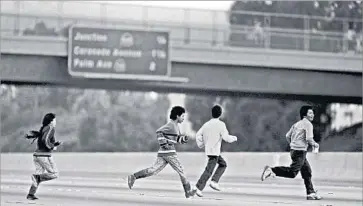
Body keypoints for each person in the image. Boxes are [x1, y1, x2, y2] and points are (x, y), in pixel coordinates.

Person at [127, 106, 197, 199]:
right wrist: (163, 143)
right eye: (183, 116)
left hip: (163, 153)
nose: (184, 118)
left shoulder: (175, 126)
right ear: (177, 116)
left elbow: (176, 139)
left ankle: (134, 176)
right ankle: (188, 192)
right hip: (170, 153)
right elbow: (159, 132)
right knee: (181, 171)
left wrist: (183, 139)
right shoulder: (171, 125)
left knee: (153, 170)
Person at [260, 105, 322, 200]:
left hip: (295, 151)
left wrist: (293, 144)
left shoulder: (297, 124)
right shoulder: (308, 124)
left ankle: (310, 193)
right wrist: (315, 144)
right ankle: (272, 170)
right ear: (304, 115)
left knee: (307, 171)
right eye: (310, 113)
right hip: (300, 151)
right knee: (292, 173)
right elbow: (309, 138)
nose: (312, 115)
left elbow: (287, 136)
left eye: (313, 113)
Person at [194, 105, 238, 197]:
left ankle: (214, 181)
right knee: (209, 170)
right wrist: (234, 138)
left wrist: (201, 144)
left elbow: (198, 135)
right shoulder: (221, 124)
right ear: (220, 114)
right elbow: (226, 138)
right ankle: (199, 187)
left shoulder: (207, 124)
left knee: (223, 164)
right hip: (214, 152)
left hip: (209, 151)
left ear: (212, 113)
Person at [25, 113, 61, 200]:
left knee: (38, 175)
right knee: (54, 174)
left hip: (37, 156)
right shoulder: (50, 128)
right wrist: (52, 146)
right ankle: (37, 178)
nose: (56, 121)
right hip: (44, 156)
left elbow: (44, 140)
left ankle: (30, 194)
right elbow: (45, 140)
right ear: (51, 121)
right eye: (55, 119)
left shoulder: (44, 128)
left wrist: (54, 144)